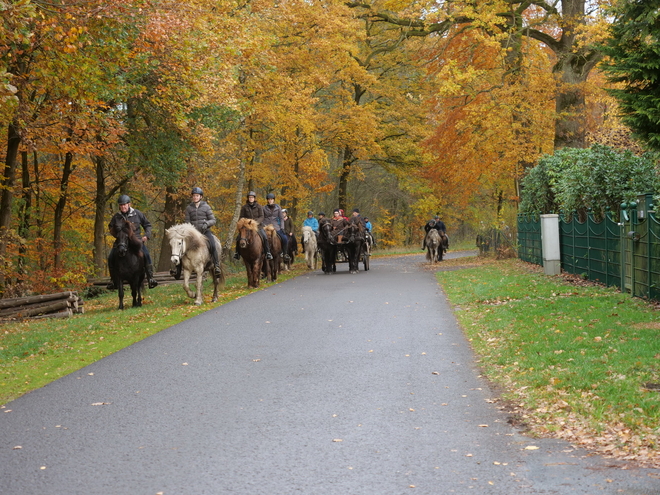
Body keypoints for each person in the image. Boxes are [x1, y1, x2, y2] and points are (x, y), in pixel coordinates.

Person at [107, 194, 158, 290]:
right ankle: (113, 280)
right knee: (110, 257)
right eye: (121, 205)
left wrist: (146, 235)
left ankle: (151, 278)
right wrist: (117, 235)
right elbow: (110, 227)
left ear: (129, 204)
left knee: (146, 254)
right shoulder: (117, 217)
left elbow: (147, 225)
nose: (123, 207)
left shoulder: (137, 214)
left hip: (136, 241)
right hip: (121, 242)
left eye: (124, 205)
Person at [185, 187, 222, 277]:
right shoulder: (188, 208)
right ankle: (177, 268)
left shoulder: (206, 207)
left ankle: (216, 265)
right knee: (181, 245)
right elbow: (187, 222)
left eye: (197, 196)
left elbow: (213, 220)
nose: (195, 197)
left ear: (201, 197)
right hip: (193, 234)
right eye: (194, 196)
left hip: (205, 232)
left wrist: (207, 223)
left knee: (213, 244)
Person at [233, 191, 273, 260]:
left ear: (254, 198)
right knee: (238, 238)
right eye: (250, 197)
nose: (251, 199)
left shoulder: (259, 207)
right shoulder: (244, 207)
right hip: (247, 227)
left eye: (252, 197)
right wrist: (245, 222)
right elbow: (241, 217)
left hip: (258, 226)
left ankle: (267, 253)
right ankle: (237, 253)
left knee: (265, 237)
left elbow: (261, 216)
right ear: (248, 198)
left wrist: (255, 223)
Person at [262, 192, 290, 261]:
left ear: (274, 200)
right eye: (269, 199)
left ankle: (284, 253)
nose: (270, 200)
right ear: (267, 200)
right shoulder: (264, 208)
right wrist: (263, 226)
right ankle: (261, 253)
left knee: (285, 238)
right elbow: (262, 218)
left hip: (276, 227)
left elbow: (281, 218)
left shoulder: (278, 208)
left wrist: (282, 227)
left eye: (271, 199)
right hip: (266, 227)